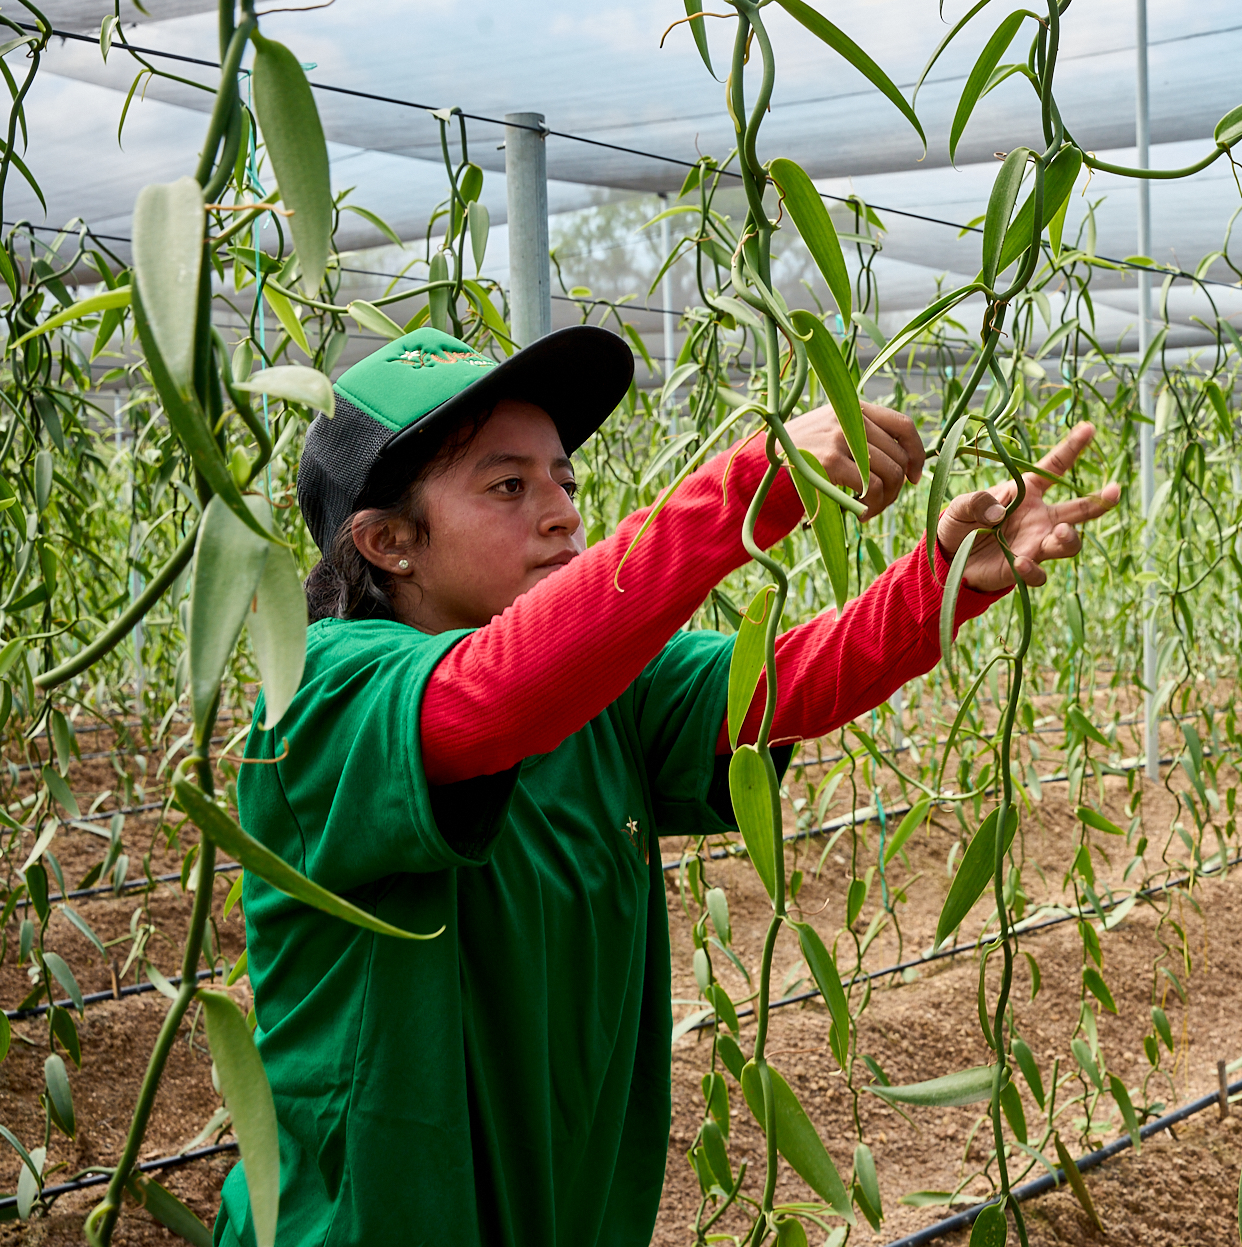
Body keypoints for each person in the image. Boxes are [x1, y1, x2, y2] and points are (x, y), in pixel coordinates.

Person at [212, 325, 1119, 1247]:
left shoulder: (605, 691)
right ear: (388, 541)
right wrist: (744, 493)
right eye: (507, 485)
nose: (563, 511)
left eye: (563, 479)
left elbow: (785, 681)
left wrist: (945, 577)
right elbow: (488, 698)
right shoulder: (321, 695)